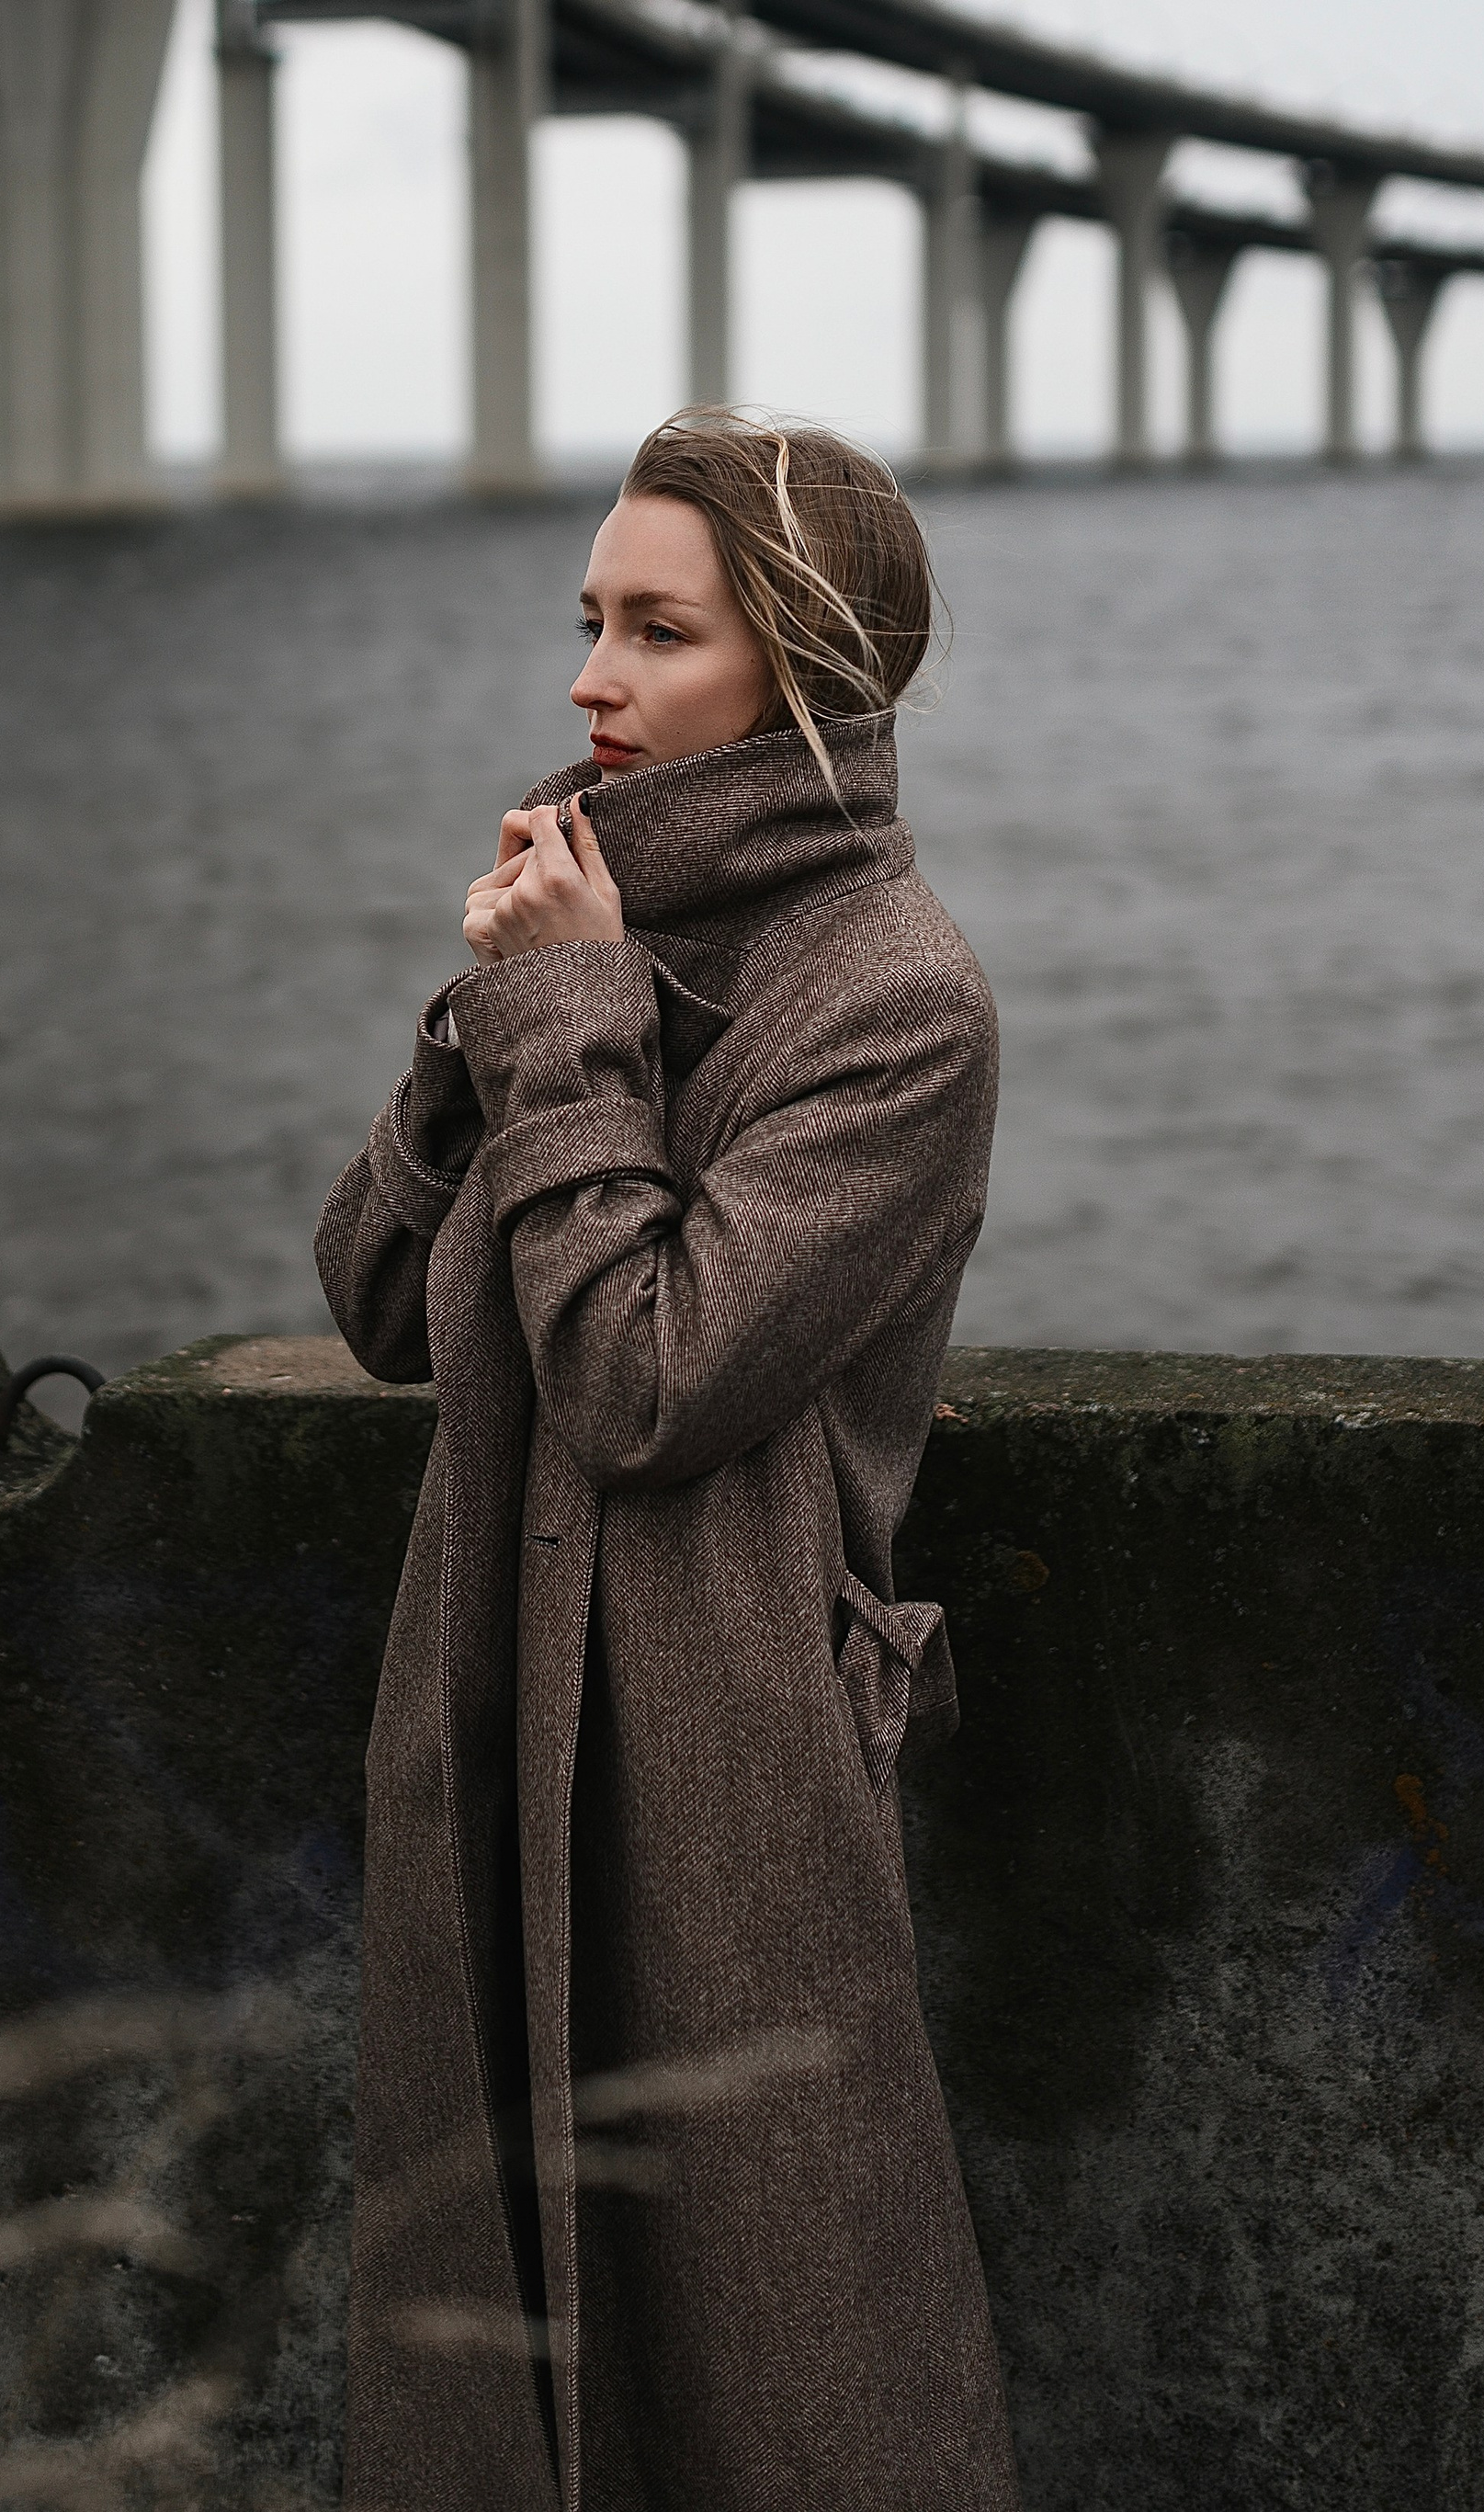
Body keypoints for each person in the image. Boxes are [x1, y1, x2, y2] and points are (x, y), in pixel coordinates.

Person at [317, 409, 1017, 2512]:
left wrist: (564, 1022)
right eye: (586, 619)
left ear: (803, 676)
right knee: (487, 2335)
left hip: (722, 1765)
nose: (587, 678)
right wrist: (484, 1024)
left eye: (655, 629)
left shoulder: (891, 1000)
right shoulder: (576, 921)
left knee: (786, 2354)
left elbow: (642, 1380)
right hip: (485, 1705)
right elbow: (368, 1300)